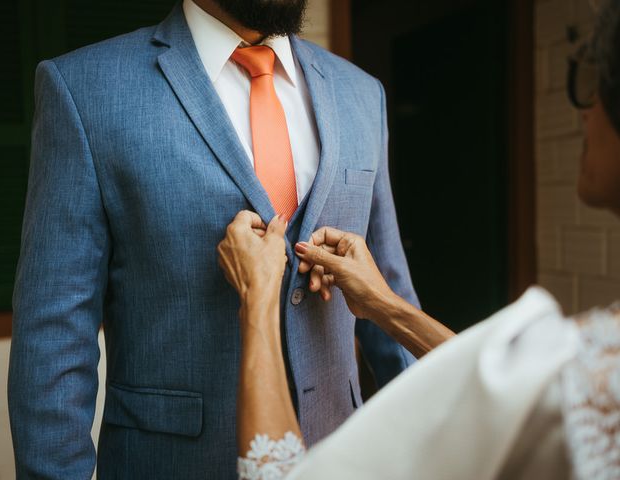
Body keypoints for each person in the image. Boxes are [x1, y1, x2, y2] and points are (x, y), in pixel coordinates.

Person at [7, 0, 420, 478]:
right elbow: (54, 333)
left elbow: (388, 295)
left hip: (341, 457)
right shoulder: (85, 89)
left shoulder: (361, 93)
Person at [217, 0, 620, 478]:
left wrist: (258, 304)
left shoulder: (361, 94)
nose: (585, 112)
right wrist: (384, 305)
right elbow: (503, 378)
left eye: (595, 81)